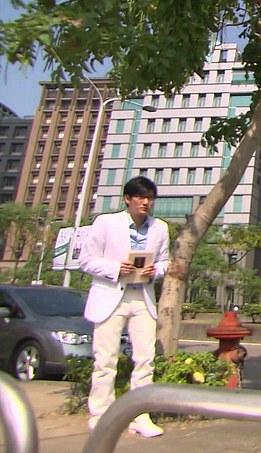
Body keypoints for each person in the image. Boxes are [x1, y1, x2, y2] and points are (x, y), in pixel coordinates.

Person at [80, 176, 170, 437]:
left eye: (150, 198)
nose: (146, 202)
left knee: (145, 360)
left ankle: (141, 415)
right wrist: (116, 268)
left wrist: (156, 271)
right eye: (140, 197)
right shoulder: (105, 223)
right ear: (127, 199)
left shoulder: (160, 228)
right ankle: (101, 414)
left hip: (142, 297)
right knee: (105, 360)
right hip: (111, 296)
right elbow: (86, 260)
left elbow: (165, 261)